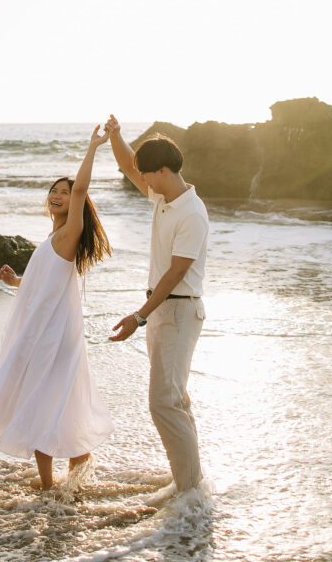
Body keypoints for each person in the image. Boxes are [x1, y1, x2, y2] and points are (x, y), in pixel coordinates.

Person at [0, 125, 114, 491]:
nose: (59, 194)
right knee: (55, 405)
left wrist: (93, 146)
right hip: (49, 333)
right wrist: (16, 282)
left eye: (64, 192)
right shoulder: (52, 239)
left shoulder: (69, 234)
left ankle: (50, 488)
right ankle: (78, 475)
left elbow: (82, 188)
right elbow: (44, 287)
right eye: (54, 190)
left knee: (38, 406)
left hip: (51, 337)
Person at [106, 115, 208, 495]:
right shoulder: (166, 197)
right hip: (165, 309)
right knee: (175, 400)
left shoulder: (191, 213)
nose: (142, 180)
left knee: (163, 403)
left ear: (163, 171)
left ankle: (189, 492)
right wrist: (116, 136)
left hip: (179, 310)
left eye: (148, 175)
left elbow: (176, 273)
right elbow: (127, 165)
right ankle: (190, 482)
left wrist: (139, 317)